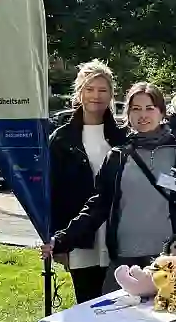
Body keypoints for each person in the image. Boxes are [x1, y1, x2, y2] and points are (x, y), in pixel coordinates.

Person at [41, 83, 176, 291]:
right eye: (136, 109)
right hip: (124, 261)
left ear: (162, 112)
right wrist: (62, 239)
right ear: (127, 113)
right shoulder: (118, 156)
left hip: (169, 261)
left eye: (149, 108)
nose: (143, 115)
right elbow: (97, 207)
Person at [48, 60, 127, 304]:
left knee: (122, 306)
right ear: (79, 92)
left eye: (103, 90)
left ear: (111, 95)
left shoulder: (123, 136)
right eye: (90, 89)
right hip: (80, 238)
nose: (96, 96)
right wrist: (59, 241)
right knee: (88, 305)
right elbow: (53, 193)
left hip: (119, 236)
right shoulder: (61, 139)